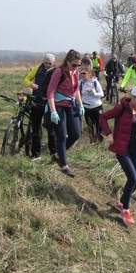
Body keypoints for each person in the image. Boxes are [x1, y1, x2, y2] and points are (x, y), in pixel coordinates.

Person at [99, 85, 136, 227]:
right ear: (132, 97)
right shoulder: (121, 108)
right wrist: (109, 134)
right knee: (132, 178)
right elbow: (103, 117)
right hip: (122, 149)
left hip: (135, 149)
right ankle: (126, 210)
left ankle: (121, 203)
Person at [46, 49, 84, 177]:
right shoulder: (59, 72)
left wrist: (81, 105)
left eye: (79, 65)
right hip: (58, 105)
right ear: (67, 62)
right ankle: (63, 165)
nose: (76, 67)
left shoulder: (76, 72)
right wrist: (53, 111)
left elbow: (76, 89)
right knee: (62, 135)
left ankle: (57, 154)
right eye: (74, 65)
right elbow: (50, 92)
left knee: (76, 134)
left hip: (71, 104)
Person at [22, 53, 57, 161]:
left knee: (51, 130)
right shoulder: (37, 69)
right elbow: (25, 80)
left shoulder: (56, 71)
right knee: (35, 129)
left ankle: (53, 154)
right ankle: (36, 154)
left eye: (50, 63)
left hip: (49, 104)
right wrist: (31, 85)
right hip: (36, 102)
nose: (47, 65)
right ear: (43, 61)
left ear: (53, 63)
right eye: (46, 63)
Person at [79, 67, 104, 143]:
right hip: (86, 107)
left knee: (98, 124)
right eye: (81, 73)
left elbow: (102, 94)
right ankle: (92, 141)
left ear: (89, 74)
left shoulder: (95, 82)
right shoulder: (80, 83)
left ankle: (99, 137)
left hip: (96, 106)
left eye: (84, 73)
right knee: (89, 125)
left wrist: (94, 93)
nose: (82, 75)